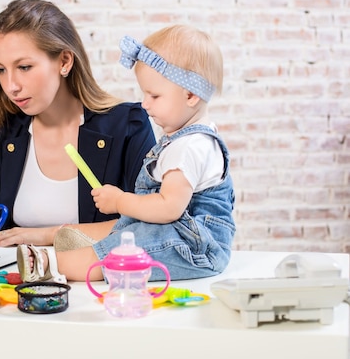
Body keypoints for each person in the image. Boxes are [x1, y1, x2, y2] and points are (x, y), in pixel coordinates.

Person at [17, 24, 236, 283]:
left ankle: (51, 263)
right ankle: (76, 247)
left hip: (195, 246)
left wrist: (120, 201)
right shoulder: (187, 140)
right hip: (177, 234)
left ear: (190, 95)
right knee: (129, 232)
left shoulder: (189, 147)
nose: (145, 103)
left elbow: (169, 208)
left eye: (154, 95)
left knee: (122, 252)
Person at [0, 0, 156, 248]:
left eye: (24, 67)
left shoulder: (127, 126)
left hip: (95, 283)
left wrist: (47, 235)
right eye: (1, 70)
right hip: (11, 283)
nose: (11, 86)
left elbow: (148, 226)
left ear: (64, 61)